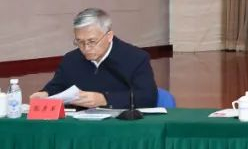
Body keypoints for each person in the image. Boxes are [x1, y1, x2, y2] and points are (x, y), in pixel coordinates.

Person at [30, 8, 158, 108]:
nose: (86, 48)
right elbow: (57, 86)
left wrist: (104, 99)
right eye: (80, 42)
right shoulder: (71, 60)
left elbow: (147, 97)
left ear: (109, 36)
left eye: (92, 41)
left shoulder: (135, 58)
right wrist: (45, 94)